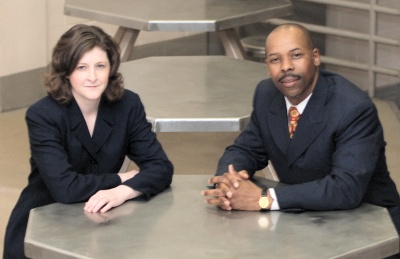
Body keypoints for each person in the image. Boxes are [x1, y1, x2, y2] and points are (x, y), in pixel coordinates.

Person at [201, 23, 400, 236]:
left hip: (371, 227)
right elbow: (246, 150)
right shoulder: (266, 94)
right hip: (306, 220)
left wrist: (264, 198)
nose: (286, 66)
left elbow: (345, 189)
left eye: (295, 55)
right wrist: (229, 182)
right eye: (276, 59)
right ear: (267, 66)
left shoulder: (353, 108)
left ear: (315, 57)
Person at [4, 24, 173, 259]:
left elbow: (161, 167)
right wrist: (120, 178)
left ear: (111, 68)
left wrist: (121, 192)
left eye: (100, 66)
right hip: (43, 223)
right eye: (82, 67)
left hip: (102, 223)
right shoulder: (43, 115)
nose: (92, 77)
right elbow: (65, 188)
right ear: (66, 72)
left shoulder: (128, 105)